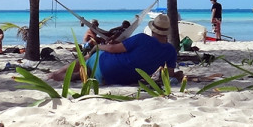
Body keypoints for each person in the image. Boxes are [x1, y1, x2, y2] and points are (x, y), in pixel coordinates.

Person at [49, 14, 178, 85]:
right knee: (91, 71)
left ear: (152, 28)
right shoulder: (170, 51)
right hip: (119, 79)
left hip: (105, 65)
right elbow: (169, 75)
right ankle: (79, 75)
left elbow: (112, 48)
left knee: (87, 58)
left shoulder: (141, 38)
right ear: (167, 32)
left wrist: (98, 47)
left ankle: (57, 74)